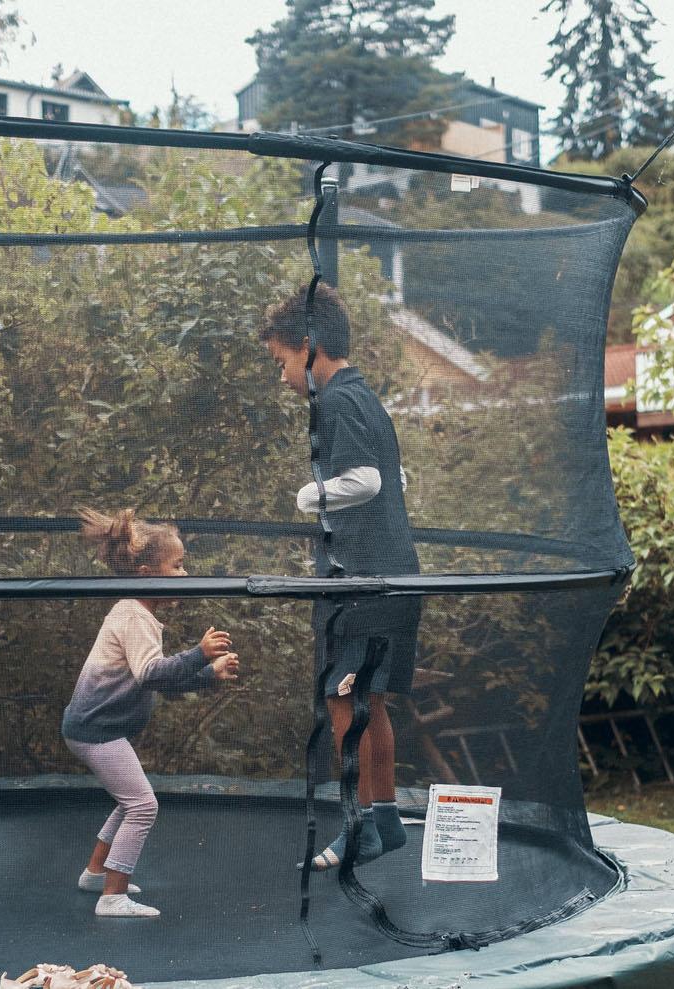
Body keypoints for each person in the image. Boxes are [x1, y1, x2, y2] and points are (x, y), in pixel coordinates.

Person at [259, 283, 420, 871]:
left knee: (342, 701)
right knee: (368, 701)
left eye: (283, 362)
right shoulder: (366, 398)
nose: (283, 378)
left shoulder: (335, 401)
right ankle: (383, 820)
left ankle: (357, 827)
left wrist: (312, 494)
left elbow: (372, 481)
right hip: (390, 576)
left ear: (310, 345)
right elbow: (400, 480)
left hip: (359, 584)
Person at [62, 508, 241, 918]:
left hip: (94, 728)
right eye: (176, 566)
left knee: (131, 802)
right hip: (96, 731)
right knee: (143, 805)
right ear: (146, 573)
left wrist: (208, 674)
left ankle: (95, 874)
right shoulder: (132, 614)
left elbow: (160, 682)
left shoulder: (138, 614)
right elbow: (151, 673)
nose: (184, 573)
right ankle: (113, 896)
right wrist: (199, 654)